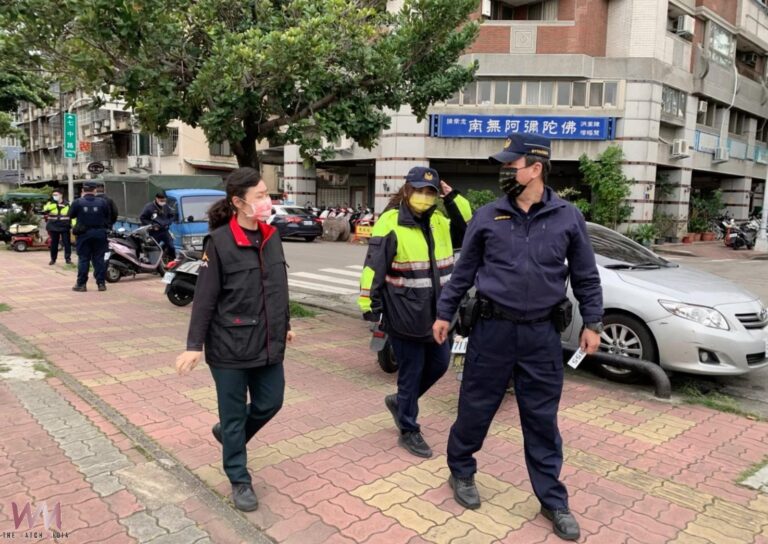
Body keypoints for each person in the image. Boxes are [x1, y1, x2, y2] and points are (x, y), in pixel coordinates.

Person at [433, 133, 603, 541]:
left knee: (542, 418)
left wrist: (593, 322)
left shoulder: (568, 217)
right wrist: (444, 312)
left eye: (511, 166)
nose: (504, 172)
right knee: (476, 406)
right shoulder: (488, 216)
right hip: (492, 329)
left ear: (536, 168)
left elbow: (585, 275)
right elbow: (464, 271)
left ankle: (552, 499)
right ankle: (461, 470)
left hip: (541, 335)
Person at [175, 167, 293, 512]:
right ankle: (239, 479)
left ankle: (230, 436)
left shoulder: (272, 236)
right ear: (239, 202)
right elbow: (205, 299)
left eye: (267, 194)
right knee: (233, 416)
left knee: (271, 402)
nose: (267, 201)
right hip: (229, 346)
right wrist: (194, 346)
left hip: (268, 341)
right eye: (260, 196)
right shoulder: (220, 242)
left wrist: (285, 324)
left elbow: (278, 287)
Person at [358, 166, 471, 458]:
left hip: (438, 315)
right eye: (419, 190)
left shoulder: (440, 221)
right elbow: (373, 266)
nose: (424, 196)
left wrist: (452, 197)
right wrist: (370, 306)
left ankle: (401, 402)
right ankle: (408, 428)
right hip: (404, 313)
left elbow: (469, 230)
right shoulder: (391, 222)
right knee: (411, 373)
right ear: (407, 190)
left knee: (440, 364)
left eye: (430, 191)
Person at [68, 181, 111, 292]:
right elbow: (108, 216)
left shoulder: (77, 202)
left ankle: (81, 284)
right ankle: (101, 284)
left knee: (84, 259)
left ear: (83, 190)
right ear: (95, 190)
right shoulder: (102, 202)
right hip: (100, 233)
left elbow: (70, 215)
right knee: (99, 259)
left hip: (84, 234)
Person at [140, 191, 176, 260]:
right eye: (161, 200)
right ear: (156, 199)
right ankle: (153, 261)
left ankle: (172, 260)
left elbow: (172, 216)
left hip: (165, 231)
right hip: (154, 232)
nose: (163, 202)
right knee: (154, 249)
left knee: (171, 247)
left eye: (164, 200)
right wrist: (152, 225)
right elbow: (142, 218)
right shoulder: (149, 207)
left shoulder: (166, 206)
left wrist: (168, 222)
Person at [42, 189, 72, 265]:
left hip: (64, 226)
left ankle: (68, 259)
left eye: (56, 195)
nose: (54, 196)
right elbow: (45, 209)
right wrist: (55, 204)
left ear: (61, 195)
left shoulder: (68, 204)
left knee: (67, 243)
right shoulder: (50, 203)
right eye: (53, 195)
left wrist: (74, 226)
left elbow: (72, 215)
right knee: (54, 244)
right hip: (53, 226)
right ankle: (53, 259)